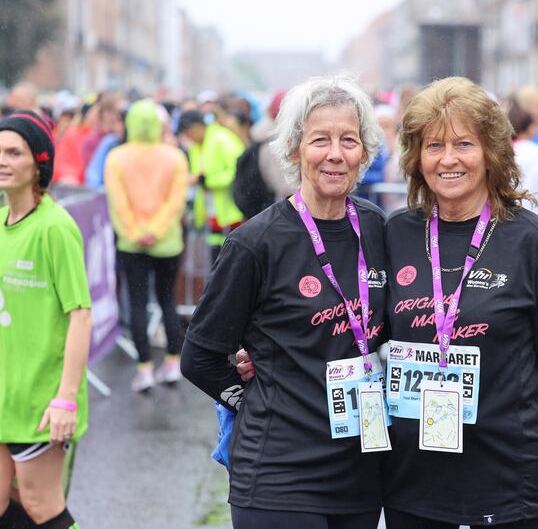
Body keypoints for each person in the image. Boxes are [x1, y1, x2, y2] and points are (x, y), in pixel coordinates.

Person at [383, 76, 538, 528]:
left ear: (491, 152)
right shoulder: (396, 233)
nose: (448, 159)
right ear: (417, 157)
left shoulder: (533, 241)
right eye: (434, 146)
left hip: (507, 475)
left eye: (464, 144)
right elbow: (360, 330)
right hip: (412, 481)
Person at [180, 75, 387, 529]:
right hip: (279, 474)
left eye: (349, 140)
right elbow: (199, 358)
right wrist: (257, 402)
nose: (335, 153)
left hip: (360, 471)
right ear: (294, 149)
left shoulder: (377, 228)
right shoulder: (255, 243)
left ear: (364, 152)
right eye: (320, 139)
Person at [0, 110, 92, 528]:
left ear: (38, 163)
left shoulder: (55, 227)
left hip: (41, 398)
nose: (2, 161)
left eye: (13, 153)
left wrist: (65, 399)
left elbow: (81, 316)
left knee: (40, 504)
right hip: (4, 393)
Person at [105, 100, 190, 392]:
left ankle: (144, 368)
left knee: (138, 302)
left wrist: (135, 231)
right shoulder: (175, 157)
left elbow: (118, 201)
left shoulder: (116, 157)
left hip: (131, 244)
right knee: (167, 300)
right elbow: (176, 202)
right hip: (167, 243)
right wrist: (156, 231)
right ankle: (172, 362)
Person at [177, 108, 245, 261]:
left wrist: (206, 180)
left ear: (197, 126)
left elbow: (238, 171)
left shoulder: (222, 139)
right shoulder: (196, 146)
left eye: (189, 132)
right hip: (212, 212)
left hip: (231, 211)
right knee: (216, 258)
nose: (189, 137)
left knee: (232, 258)